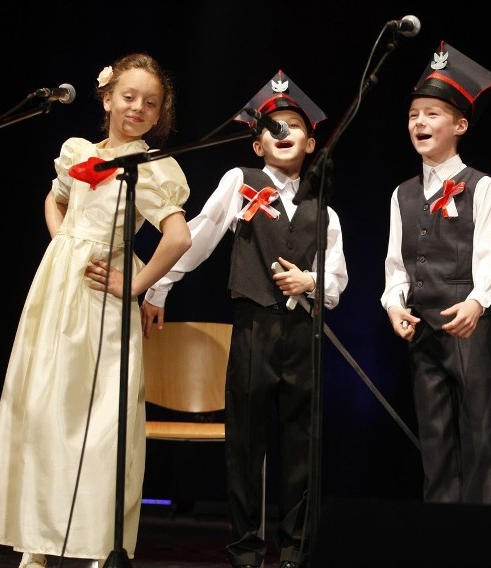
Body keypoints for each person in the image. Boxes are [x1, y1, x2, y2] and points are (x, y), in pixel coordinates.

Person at [0, 53, 192, 568]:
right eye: (129, 96)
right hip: (56, 292)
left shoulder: (151, 165)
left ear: (160, 112)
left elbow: (178, 236)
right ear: (107, 97)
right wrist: (66, 244)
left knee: (100, 420)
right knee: (45, 407)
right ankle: (36, 541)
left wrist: (133, 284)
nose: (138, 107)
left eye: (150, 102)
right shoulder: (79, 151)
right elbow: (54, 199)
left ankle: (99, 544)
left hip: (100, 302)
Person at [142, 70, 348, 568]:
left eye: (293, 125)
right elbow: (200, 233)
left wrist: (311, 284)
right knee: (247, 443)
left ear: (311, 142)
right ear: (257, 145)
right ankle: (247, 550)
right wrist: (159, 285)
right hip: (255, 326)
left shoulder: (326, 211)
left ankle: (297, 550)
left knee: (301, 444)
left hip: (304, 336)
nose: (283, 134)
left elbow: (337, 280)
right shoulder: (241, 183)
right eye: (272, 127)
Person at [380, 41, 491, 505]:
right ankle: (439, 534)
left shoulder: (481, 185)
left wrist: (476, 302)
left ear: (460, 125)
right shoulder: (402, 194)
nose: (420, 122)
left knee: (479, 434)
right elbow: (397, 264)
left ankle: (478, 537)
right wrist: (395, 305)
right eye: (414, 114)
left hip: (471, 325)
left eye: (433, 114)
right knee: (434, 439)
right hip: (424, 332)